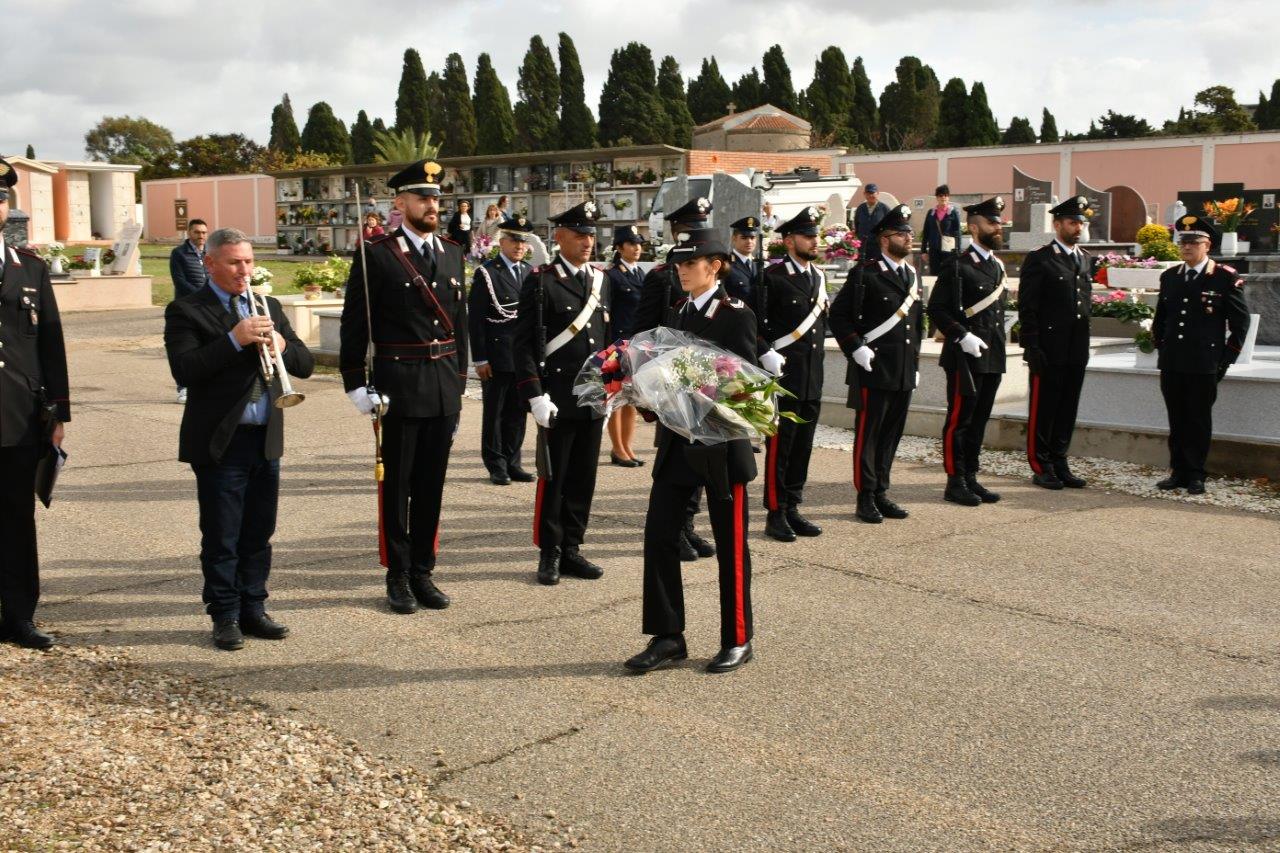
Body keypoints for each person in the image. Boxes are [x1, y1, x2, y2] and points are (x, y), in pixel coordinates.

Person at [164, 227, 314, 650]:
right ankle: (225, 614)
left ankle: (254, 607)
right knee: (222, 535)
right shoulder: (186, 309)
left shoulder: (269, 305)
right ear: (210, 263)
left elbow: (304, 365)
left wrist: (283, 344)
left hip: (266, 437)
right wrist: (234, 339)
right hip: (221, 440)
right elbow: (185, 369)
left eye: (248, 261)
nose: (243, 270)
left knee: (258, 532)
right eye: (234, 262)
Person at [625, 227, 757, 675]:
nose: (680, 271)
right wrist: (645, 395)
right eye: (677, 264)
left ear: (714, 266)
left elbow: (741, 387)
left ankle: (737, 638)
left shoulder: (736, 315)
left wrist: (691, 390)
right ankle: (667, 636)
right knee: (660, 535)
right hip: (677, 443)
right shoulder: (677, 312)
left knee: (730, 545)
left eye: (689, 263)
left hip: (720, 447)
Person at [339, 159, 468, 615]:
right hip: (398, 385)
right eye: (422, 197)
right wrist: (355, 383)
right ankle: (397, 572)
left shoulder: (451, 251)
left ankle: (423, 570)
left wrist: (459, 386)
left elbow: (459, 325)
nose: (432, 205)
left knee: (432, 484)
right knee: (397, 486)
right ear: (400, 203)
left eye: (436, 198)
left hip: (442, 387)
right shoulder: (377, 253)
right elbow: (355, 322)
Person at [512, 201, 610, 586]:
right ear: (560, 237)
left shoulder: (600, 280)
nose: (588, 242)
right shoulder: (541, 281)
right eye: (580, 234)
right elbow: (523, 345)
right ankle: (550, 550)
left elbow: (606, 340)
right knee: (554, 478)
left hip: (592, 396)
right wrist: (535, 394)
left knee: (584, 478)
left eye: (591, 235)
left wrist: (611, 388)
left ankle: (572, 547)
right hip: (556, 396)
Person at [0, 158, 69, 649]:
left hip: (19, 418)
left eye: (0, 198)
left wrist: (59, 414)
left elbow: (51, 345)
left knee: (16, 519)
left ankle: (19, 615)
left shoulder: (31, 269)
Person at [631, 196, 720, 562]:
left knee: (702, 456)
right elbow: (643, 332)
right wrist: (650, 382)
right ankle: (677, 529)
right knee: (678, 460)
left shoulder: (709, 273)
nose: (695, 235)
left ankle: (688, 524)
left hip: (706, 382)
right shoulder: (662, 277)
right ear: (675, 233)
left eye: (700, 228)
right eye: (688, 230)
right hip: (672, 385)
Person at [829, 204, 923, 524]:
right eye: (902, 233)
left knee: (892, 434)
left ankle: (882, 490)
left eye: (910, 233)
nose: (908, 238)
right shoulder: (865, 274)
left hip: (902, 369)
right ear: (885, 239)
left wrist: (915, 364)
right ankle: (865, 495)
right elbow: (838, 316)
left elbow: (915, 325)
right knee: (869, 435)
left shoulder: (911, 275)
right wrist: (855, 348)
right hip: (874, 368)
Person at [1152, 215, 1250, 495]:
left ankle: (1196, 473)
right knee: (1176, 417)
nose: (1186, 247)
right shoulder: (1170, 277)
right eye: (1183, 242)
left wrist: (1225, 360)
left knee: (1198, 419)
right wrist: (1162, 346)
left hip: (1204, 363)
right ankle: (1178, 471)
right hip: (1173, 361)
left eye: (1193, 242)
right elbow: (1161, 318)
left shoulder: (1223, 277)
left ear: (1207, 245)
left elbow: (1240, 323)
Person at [926, 196, 1009, 507]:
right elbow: (937, 308)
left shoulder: (997, 266)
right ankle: (955, 480)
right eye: (992, 223)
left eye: (999, 222)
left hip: (992, 354)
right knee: (960, 420)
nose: (998, 228)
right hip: (965, 356)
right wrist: (961, 335)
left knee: (979, 419)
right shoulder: (958, 266)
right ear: (974, 228)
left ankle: (971, 476)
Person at [756, 205, 824, 542]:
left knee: (803, 447)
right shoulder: (772, 277)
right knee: (780, 449)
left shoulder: (818, 277)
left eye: (815, 235)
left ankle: (793, 506)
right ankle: (775, 511)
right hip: (783, 379)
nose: (814, 241)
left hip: (811, 376)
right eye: (807, 236)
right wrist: (764, 351)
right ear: (788, 240)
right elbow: (753, 326)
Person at [1017, 196, 1095, 490]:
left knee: (1067, 406)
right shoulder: (1041, 258)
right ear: (1057, 224)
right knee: (1044, 408)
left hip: (1076, 347)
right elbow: (1028, 306)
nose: (1078, 228)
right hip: (1048, 347)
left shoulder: (1084, 258)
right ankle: (1041, 464)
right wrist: (1031, 345)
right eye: (1073, 222)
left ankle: (1060, 460)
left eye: (1081, 223)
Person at [469, 215, 535, 486]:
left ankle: (513, 461)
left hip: (522, 356)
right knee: (495, 414)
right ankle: (496, 465)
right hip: (496, 355)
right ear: (503, 242)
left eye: (523, 241)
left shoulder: (529, 272)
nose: (519, 246)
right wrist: (480, 358)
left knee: (518, 412)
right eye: (514, 241)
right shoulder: (487, 272)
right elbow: (476, 319)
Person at [604, 224, 645, 467]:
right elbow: (606, 313)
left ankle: (627, 446)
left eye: (639, 243)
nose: (637, 248)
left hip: (637, 345)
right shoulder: (612, 276)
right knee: (617, 398)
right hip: (616, 345)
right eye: (631, 244)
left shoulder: (640, 274)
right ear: (619, 248)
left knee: (632, 399)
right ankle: (617, 448)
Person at [169, 219, 210, 404]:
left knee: (205, 346)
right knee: (184, 347)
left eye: (204, 232)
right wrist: (200, 296)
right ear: (189, 233)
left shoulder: (210, 252)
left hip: (206, 306)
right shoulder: (179, 253)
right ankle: (183, 388)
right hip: (186, 307)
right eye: (197, 232)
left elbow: (213, 276)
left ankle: (203, 386)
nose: (201, 236)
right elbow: (179, 281)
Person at [920, 185, 960, 275]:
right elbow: (926, 232)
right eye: (941, 195)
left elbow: (957, 233)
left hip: (948, 250)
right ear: (937, 197)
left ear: (948, 197)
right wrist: (923, 251)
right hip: (934, 249)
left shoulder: (953, 212)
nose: (943, 197)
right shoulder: (931, 213)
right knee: (934, 274)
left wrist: (957, 250)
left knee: (948, 274)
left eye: (946, 195)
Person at [726, 215, 761, 304]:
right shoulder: (726, 263)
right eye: (744, 238)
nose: (749, 241)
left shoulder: (759, 264)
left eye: (752, 238)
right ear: (734, 239)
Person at [852, 183, 890, 251]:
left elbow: (890, 225)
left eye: (872, 193)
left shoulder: (884, 208)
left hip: (878, 245)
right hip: (863, 245)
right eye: (868, 193)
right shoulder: (860, 208)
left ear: (877, 193)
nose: (870, 195)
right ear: (864, 194)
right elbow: (856, 224)